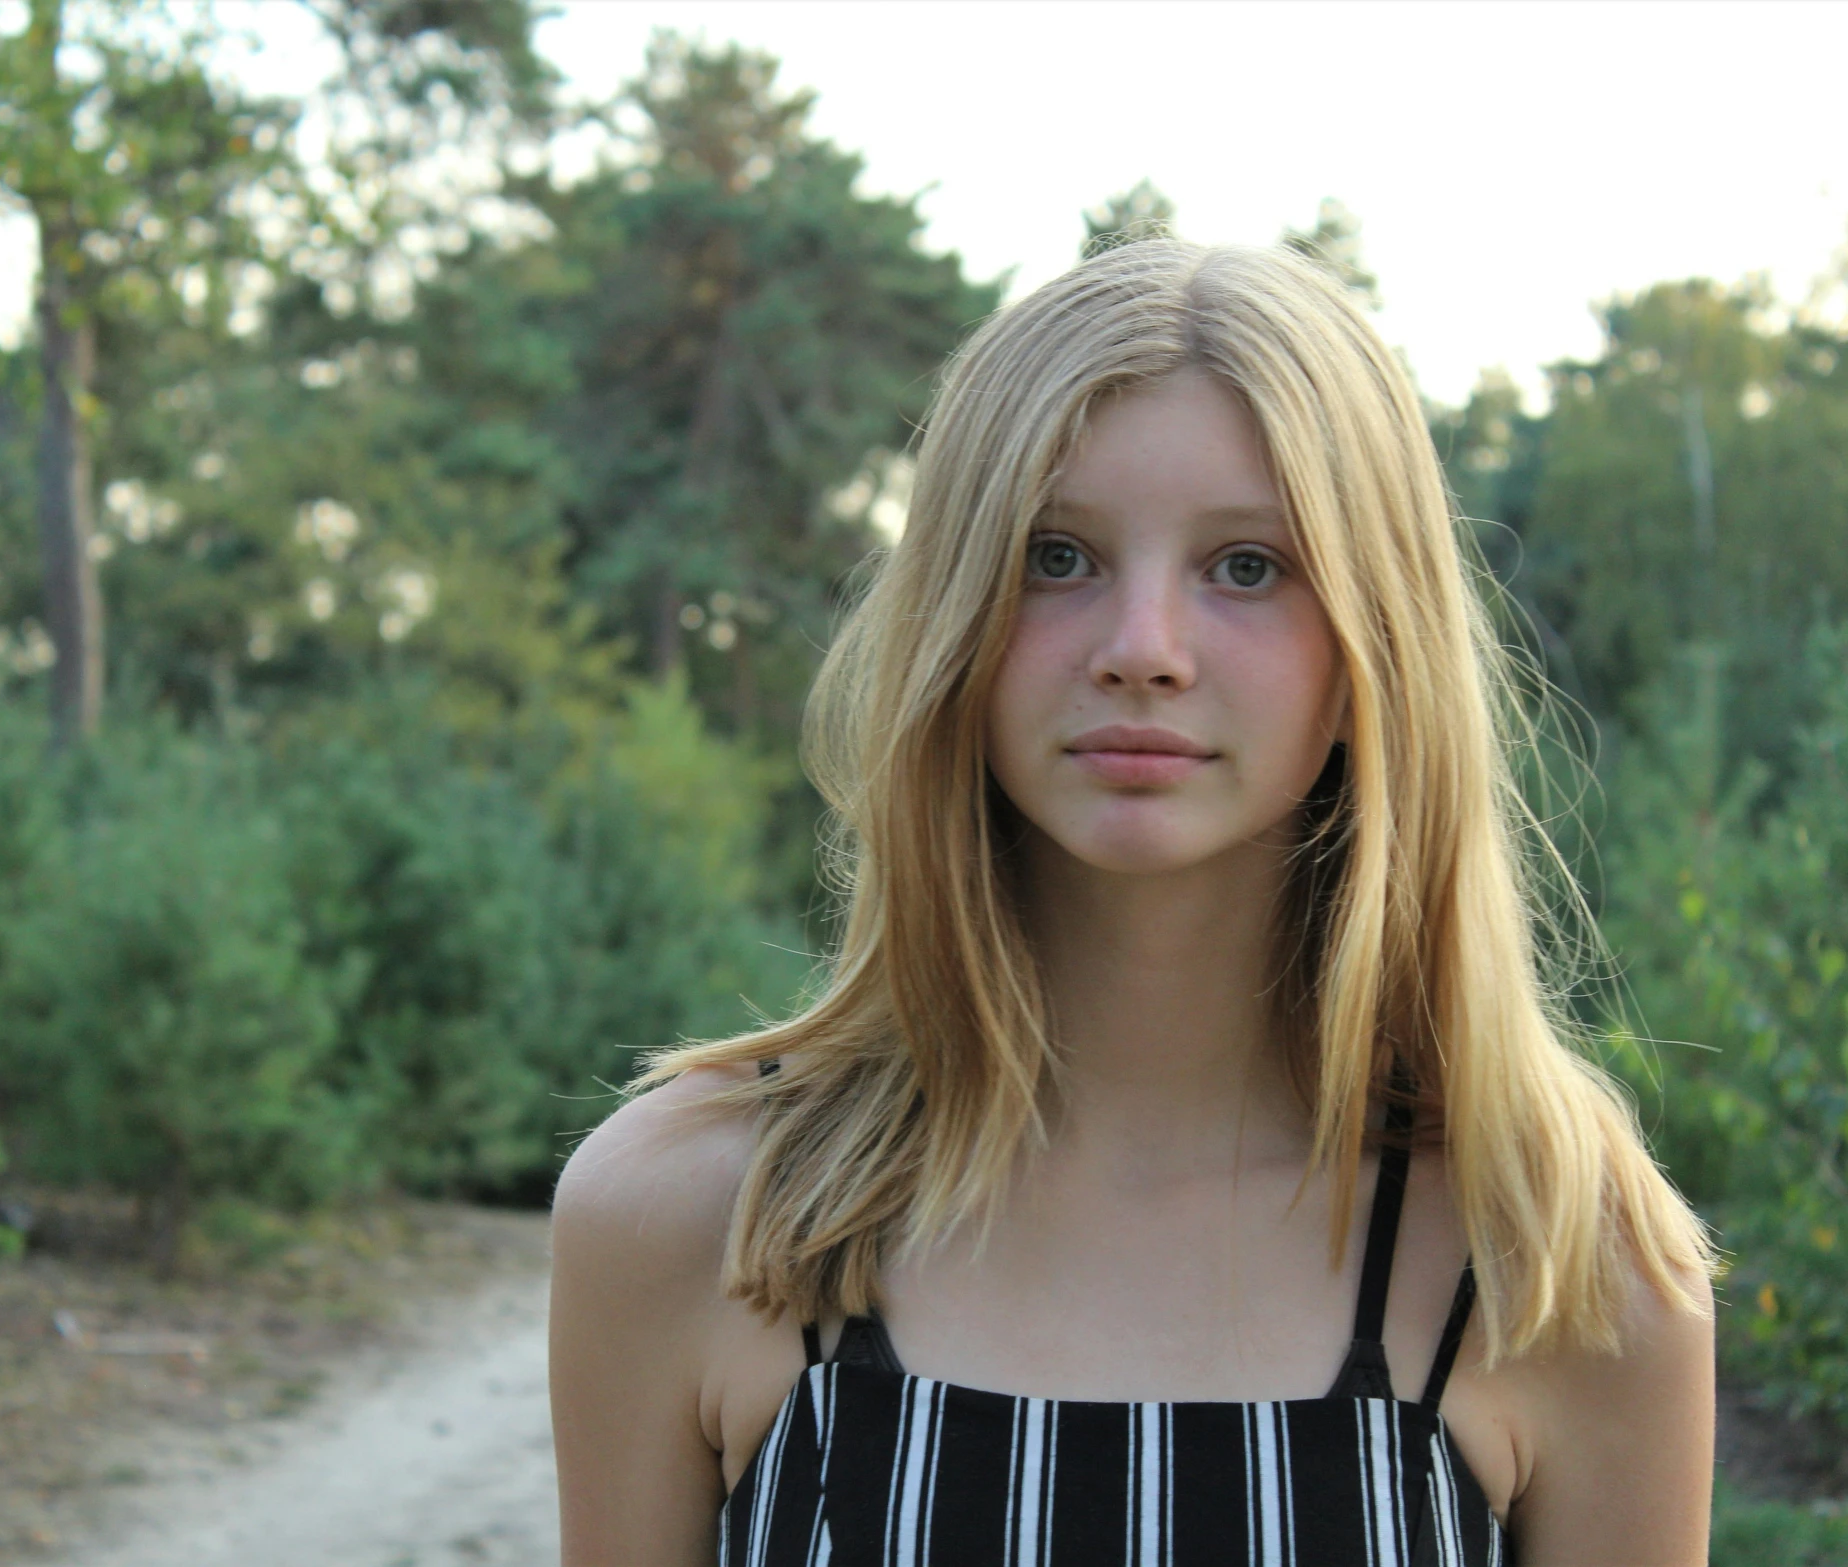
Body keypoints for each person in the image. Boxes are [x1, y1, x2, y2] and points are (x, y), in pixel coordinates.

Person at [549, 239, 1717, 1565]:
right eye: (1056, 555)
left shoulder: (1561, 1263)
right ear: (949, 618)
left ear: (1367, 655)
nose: (1141, 649)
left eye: (1246, 566)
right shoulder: (689, 1215)